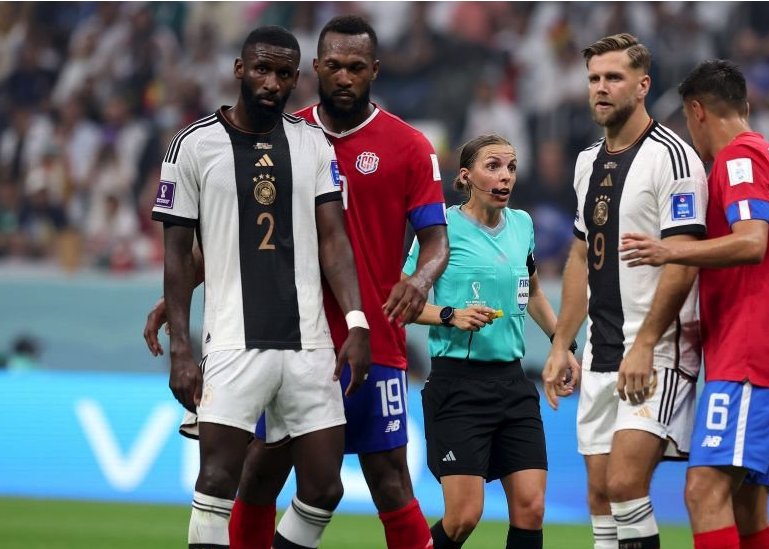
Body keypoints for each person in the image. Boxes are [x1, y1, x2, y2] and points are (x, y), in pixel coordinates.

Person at [144, 16, 448, 549]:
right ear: (316, 69)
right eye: (333, 66)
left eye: (357, 67)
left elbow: (435, 242)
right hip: (282, 334)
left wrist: (420, 278)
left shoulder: (407, 145)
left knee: (388, 480)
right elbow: (240, 234)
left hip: (368, 338)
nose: (345, 77)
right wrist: (174, 300)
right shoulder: (284, 134)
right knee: (257, 476)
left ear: (374, 70)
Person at [619, 59, 769, 549]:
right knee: (746, 506)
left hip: (750, 356)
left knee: (703, 490)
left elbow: (751, 242)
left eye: (686, 120)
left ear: (697, 111)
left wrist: (670, 248)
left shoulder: (738, 160)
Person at [541, 33, 707, 549]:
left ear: (642, 86)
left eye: (613, 77)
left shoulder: (673, 159)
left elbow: (683, 263)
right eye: (594, 78)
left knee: (624, 485)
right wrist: (562, 343)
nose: (601, 88)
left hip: (655, 350)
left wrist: (644, 344)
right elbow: (577, 255)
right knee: (598, 495)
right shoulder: (587, 161)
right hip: (600, 350)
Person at [404, 134, 578, 549]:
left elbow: (533, 291)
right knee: (464, 517)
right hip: (458, 386)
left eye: (512, 168)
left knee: (532, 508)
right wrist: (449, 315)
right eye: (494, 166)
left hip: (513, 385)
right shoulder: (440, 228)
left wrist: (563, 346)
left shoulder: (523, 225)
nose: (505, 177)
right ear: (466, 176)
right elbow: (403, 301)